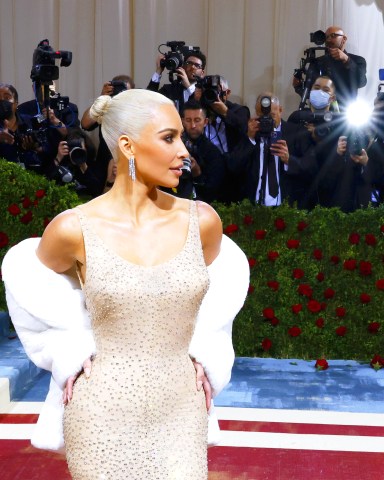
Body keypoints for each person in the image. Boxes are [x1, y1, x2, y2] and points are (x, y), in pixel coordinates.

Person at [2, 89, 249, 479]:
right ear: (127, 146)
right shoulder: (72, 229)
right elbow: (31, 289)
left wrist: (206, 351)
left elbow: (220, 300)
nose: (184, 150)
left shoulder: (202, 222)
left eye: (182, 136)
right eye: (169, 138)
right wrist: (70, 351)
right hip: (100, 411)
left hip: (181, 411)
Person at [227, 92, 315, 208]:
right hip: (253, 208)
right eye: (262, 116)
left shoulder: (297, 133)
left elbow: (311, 168)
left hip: (288, 208)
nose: (267, 120)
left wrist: (289, 160)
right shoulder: (247, 132)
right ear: (256, 113)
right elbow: (233, 167)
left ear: (280, 110)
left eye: (272, 116)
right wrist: (249, 139)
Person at [81, 74, 135, 195]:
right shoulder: (105, 107)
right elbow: (85, 124)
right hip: (104, 160)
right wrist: (102, 97)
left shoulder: (137, 110)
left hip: (130, 161)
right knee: (100, 197)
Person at [293, 26, 367, 110]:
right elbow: (311, 93)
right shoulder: (318, 62)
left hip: (348, 113)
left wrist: (346, 60)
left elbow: (361, 82)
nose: (328, 40)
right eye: (326, 37)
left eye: (333, 36)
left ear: (344, 39)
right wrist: (298, 87)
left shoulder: (357, 60)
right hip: (322, 113)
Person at [176, 99, 227, 203]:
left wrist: (197, 173)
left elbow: (213, 192)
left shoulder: (213, 153)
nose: (193, 125)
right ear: (182, 121)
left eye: (197, 120)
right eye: (188, 120)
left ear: (205, 122)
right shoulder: (174, 147)